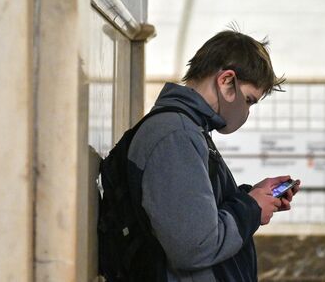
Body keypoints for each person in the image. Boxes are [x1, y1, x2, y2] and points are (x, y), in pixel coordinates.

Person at [128, 30, 300, 281]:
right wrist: (251, 208)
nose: (247, 111)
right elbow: (195, 246)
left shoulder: (189, 129)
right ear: (226, 81)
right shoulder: (176, 135)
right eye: (249, 100)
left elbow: (195, 213)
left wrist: (252, 196)